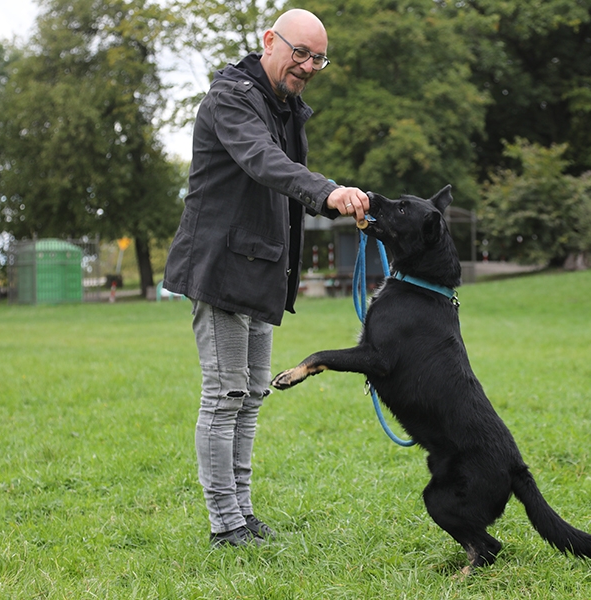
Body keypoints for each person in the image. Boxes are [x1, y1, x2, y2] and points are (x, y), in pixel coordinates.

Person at [163, 8, 369, 548]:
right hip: (220, 265)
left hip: (260, 266)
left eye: (317, 59)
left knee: (252, 394)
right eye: (299, 53)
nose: (306, 67)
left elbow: (281, 179)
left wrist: (333, 201)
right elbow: (262, 161)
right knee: (224, 392)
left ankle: (244, 514)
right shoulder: (231, 97)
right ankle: (223, 522)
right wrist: (327, 191)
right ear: (269, 42)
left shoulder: (286, 107)